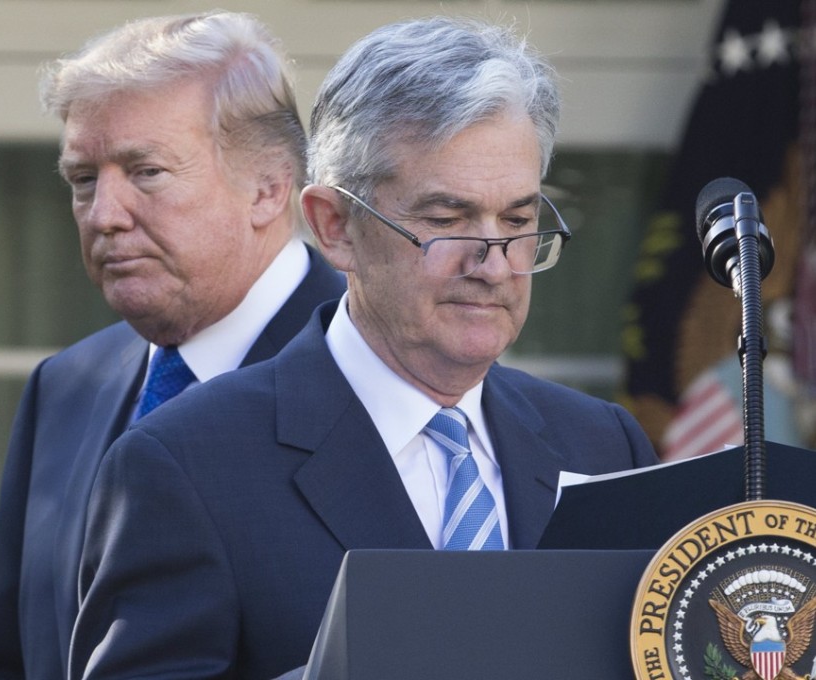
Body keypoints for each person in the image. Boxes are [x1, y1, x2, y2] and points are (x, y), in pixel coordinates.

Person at [70, 15, 658, 680]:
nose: (493, 264)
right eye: (445, 220)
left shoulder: (603, 446)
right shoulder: (183, 466)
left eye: (517, 221)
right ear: (334, 226)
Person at [0, 11, 345, 680]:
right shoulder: (64, 386)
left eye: (145, 173)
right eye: (84, 179)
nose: (104, 214)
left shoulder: (375, 374)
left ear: (268, 188)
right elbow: (8, 661)